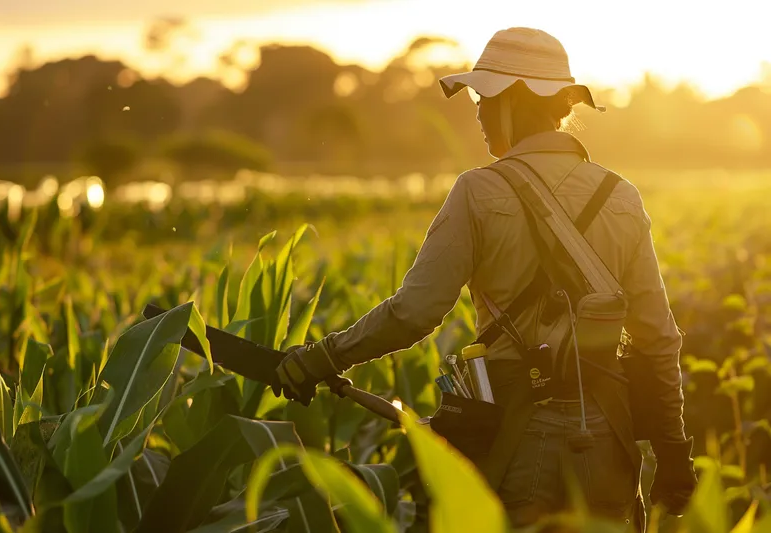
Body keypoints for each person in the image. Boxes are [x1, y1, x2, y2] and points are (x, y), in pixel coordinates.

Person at [271, 27, 696, 530]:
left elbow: (414, 312)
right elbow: (658, 338)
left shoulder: (477, 191)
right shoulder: (621, 195)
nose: (477, 112)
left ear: (512, 103)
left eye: (482, 98)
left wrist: (322, 358)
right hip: (608, 442)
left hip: (519, 441)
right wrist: (673, 454)